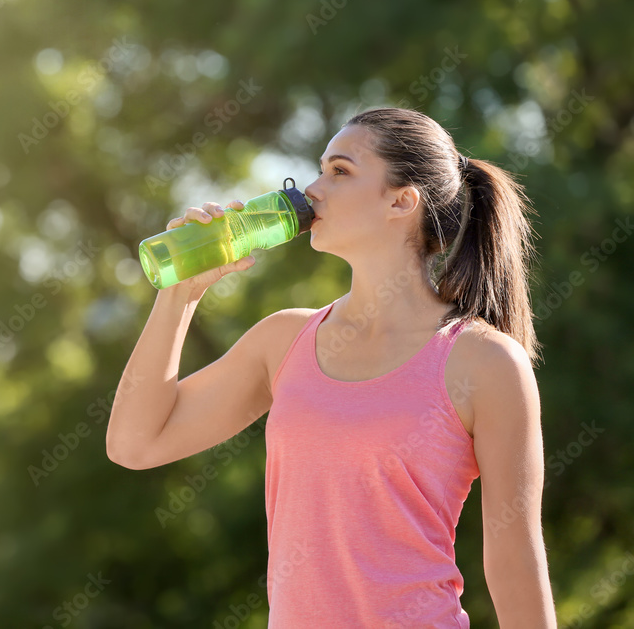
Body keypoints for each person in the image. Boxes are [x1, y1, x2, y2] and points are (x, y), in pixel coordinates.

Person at [106, 107, 557, 627]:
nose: (312, 190)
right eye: (319, 169)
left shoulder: (484, 361)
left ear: (400, 200)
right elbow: (134, 443)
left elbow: (514, 563)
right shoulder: (284, 341)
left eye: (339, 171)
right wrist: (181, 294)